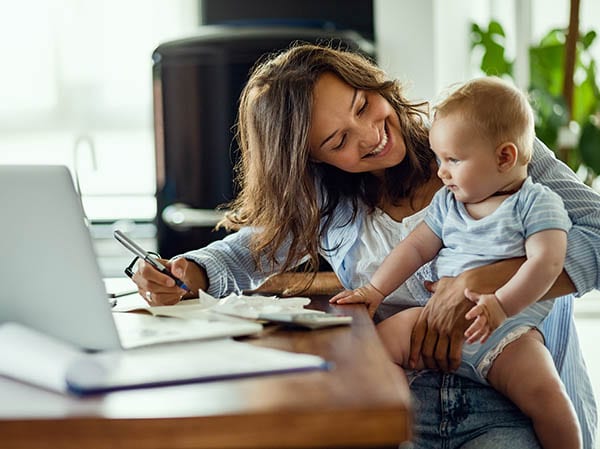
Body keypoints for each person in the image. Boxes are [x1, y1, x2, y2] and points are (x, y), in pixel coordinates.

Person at [131, 43, 599, 449]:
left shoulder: (484, 143)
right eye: (338, 141)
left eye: (362, 105)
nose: (371, 136)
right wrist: (183, 272)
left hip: (514, 396)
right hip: (401, 399)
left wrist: (481, 281)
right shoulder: (330, 198)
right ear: (311, 160)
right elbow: (247, 251)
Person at [329, 76, 580, 449]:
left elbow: (546, 264)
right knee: (375, 348)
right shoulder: (450, 203)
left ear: (504, 157)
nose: (441, 172)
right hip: (435, 320)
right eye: (439, 159)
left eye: (453, 160)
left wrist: (499, 305)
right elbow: (415, 248)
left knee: (549, 398)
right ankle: (400, 429)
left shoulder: (536, 203)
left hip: (507, 334)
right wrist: (375, 289)